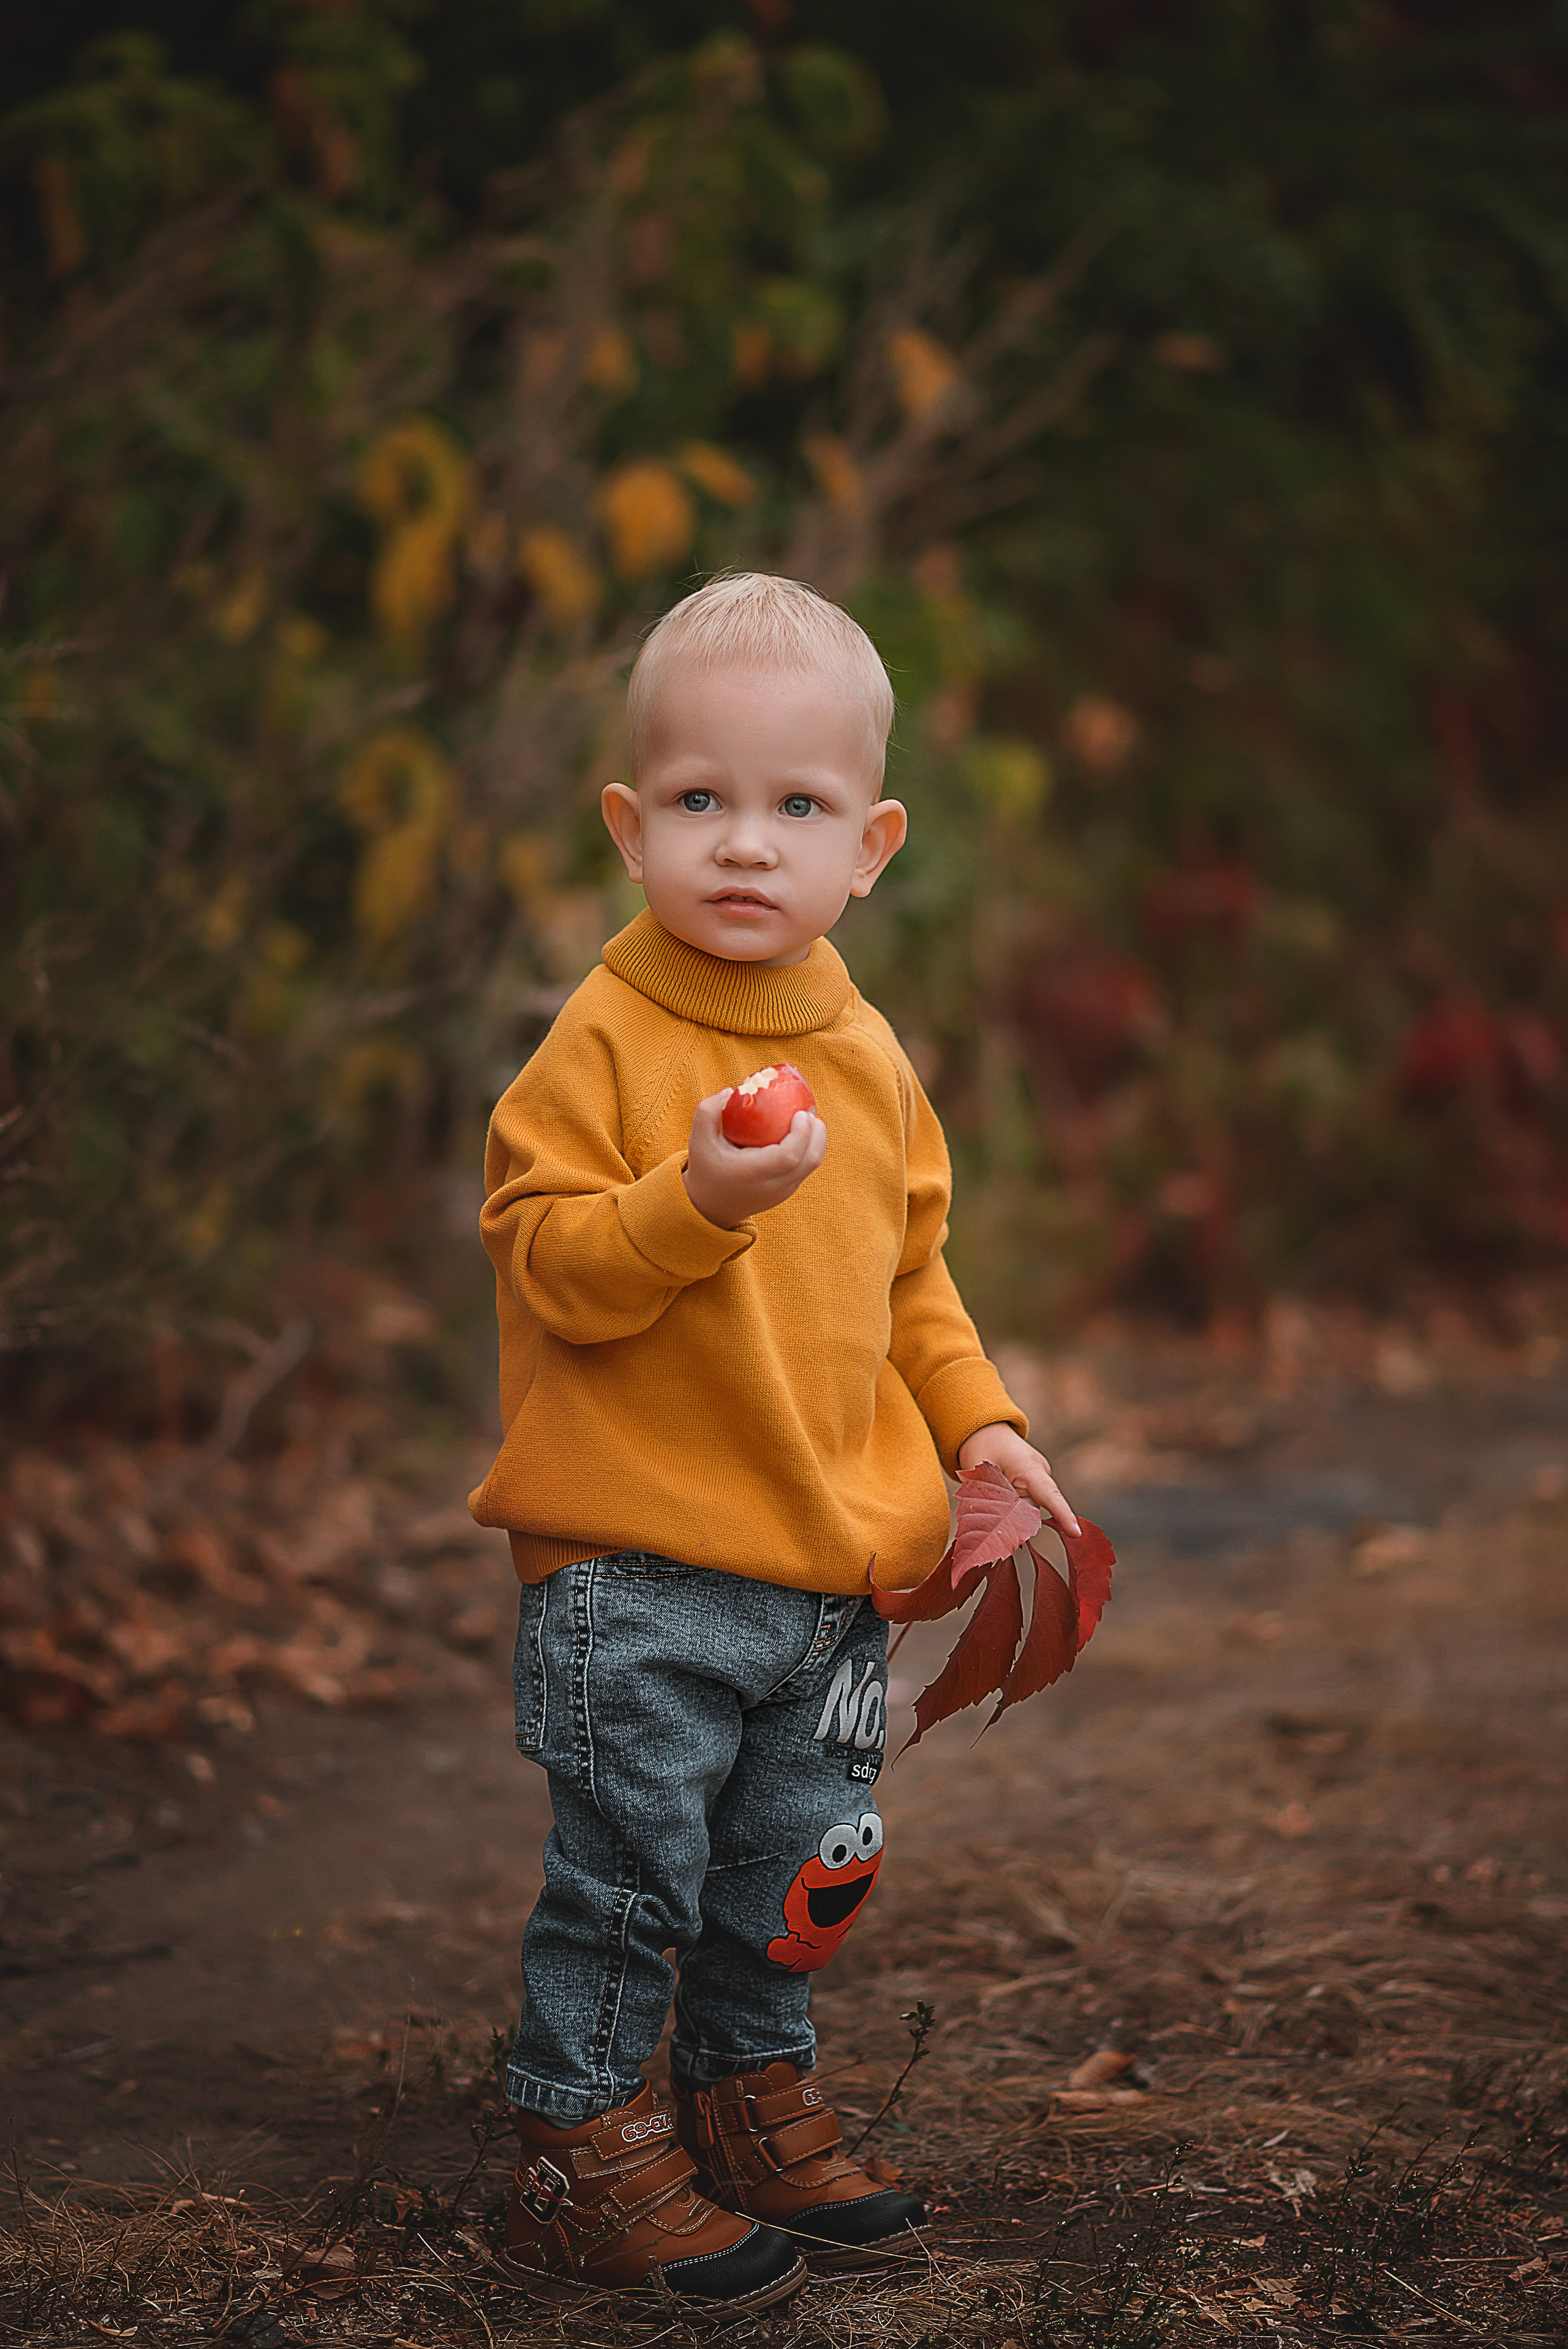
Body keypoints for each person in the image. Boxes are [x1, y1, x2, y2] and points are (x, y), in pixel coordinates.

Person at [469, 572, 1079, 2318]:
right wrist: (694, 1203)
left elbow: (915, 1282)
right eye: (700, 801)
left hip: (828, 1580)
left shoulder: (870, 1058)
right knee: (635, 1874)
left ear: (871, 845)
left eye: (796, 806)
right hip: (639, 1567)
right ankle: (578, 2134)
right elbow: (548, 1262)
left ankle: (744, 2089)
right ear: (629, 823)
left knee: (794, 1874)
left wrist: (985, 1426)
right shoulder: (605, 1037)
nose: (746, 844)